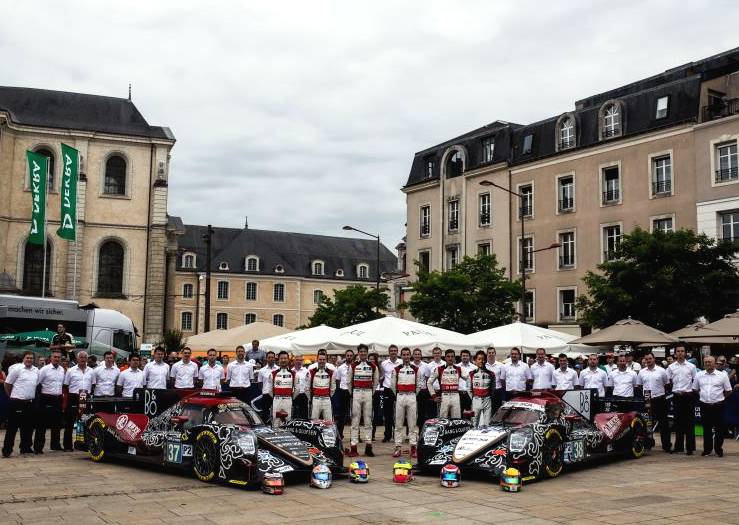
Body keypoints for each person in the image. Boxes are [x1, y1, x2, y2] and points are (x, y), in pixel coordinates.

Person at [693, 355, 732, 457]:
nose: (708, 364)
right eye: (706, 362)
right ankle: (707, 450)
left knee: (719, 428)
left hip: (718, 405)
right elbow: (695, 389)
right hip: (705, 405)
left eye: (710, 362)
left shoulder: (722, 375)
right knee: (706, 429)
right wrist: (703, 396)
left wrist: (720, 398)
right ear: (703, 363)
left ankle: (718, 449)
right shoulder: (699, 375)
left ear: (715, 363)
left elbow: (728, 390)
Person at [2, 352, 39, 457]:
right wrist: (11, 396)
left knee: (28, 427)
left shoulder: (36, 371)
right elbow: (7, 384)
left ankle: (25, 447)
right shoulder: (17, 370)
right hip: (17, 402)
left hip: (29, 403)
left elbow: (35, 385)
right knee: (12, 427)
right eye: (27, 358)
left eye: (31, 358)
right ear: (23, 359)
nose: (29, 360)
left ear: (34, 360)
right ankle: (7, 450)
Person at [347, 344, 379, 457]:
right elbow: (348, 381)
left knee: (368, 420)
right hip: (356, 393)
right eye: (361, 351)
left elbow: (376, 382)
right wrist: (353, 393)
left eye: (365, 351)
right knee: (355, 420)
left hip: (368, 393)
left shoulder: (373, 366)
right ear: (358, 353)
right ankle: (353, 447)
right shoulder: (353, 365)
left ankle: (368, 446)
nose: (363, 353)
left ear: (367, 352)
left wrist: (371, 392)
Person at [637, 351, 671, 452]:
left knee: (663, 424)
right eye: (646, 359)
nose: (648, 361)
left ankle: (666, 445)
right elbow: (639, 386)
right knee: (647, 423)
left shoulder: (661, 371)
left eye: (650, 359)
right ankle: (648, 444)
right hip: (647, 400)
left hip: (660, 399)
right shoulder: (641, 372)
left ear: (654, 359)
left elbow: (667, 384)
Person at [667, 345, 697, 455]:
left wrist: (689, 392)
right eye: (678, 351)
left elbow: (695, 381)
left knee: (689, 422)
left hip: (688, 396)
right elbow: (669, 381)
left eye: (682, 351)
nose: (680, 353)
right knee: (678, 422)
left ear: (685, 353)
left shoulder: (691, 366)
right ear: (675, 353)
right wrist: (675, 390)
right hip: (676, 396)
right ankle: (678, 447)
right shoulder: (671, 367)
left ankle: (690, 448)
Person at [390, 347, 419, 458]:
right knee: (398, 423)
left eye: (407, 354)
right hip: (400, 396)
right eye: (404, 354)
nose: (406, 356)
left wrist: (413, 394)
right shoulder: (396, 369)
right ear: (401, 356)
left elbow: (419, 385)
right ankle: (398, 447)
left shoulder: (416, 369)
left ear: (410, 356)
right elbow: (393, 385)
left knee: (412, 423)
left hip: (412, 396)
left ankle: (413, 447)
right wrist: (398, 394)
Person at [34, 349, 65, 453]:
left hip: (57, 399)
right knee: (41, 424)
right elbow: (37, 384)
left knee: (57, 424)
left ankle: (55, 445)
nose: (57, 359)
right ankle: (38, 447)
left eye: (58, 357)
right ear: (50, 358)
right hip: (46, 398)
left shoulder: (62, 369)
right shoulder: (44, 369)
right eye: (55, 357)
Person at [62, 351, 93, 451]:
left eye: (85, 357)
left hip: (86, 398)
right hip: (73, 397)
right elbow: (66, 385)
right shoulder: (71, 371)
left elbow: (93, 384)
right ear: (77, 359)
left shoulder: (91, 371)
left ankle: (85, 444)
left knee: (86, 422)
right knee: (70, 423)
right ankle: (67, 446)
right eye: (81, 357)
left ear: (87, 359)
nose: (83, 359)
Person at [427, 349, 469, 419]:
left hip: (455, 396)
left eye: (452, 356)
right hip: (444, 397)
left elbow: (469, 379)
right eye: (448, 356)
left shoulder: (459, 369)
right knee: (442, 420)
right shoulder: (439, 369)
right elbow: (429, 382)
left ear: (454, 358)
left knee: (456, 420)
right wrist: (434, 396)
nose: (450, 358)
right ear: (445, 357)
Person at [269, 351, 296, 428]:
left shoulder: (293, 373)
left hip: (288, 400)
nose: (283, 360)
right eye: (281, 358)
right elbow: (269, 390)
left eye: (285, 358)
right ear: (278, 360)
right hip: (277, 399)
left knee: (288, 420)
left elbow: (297, 389)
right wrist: (276, 397)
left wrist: (290, 398)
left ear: (288, 360)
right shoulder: (273, 373)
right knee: (275, 420)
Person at [469, 350, 495, 428]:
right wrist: (474, 398)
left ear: (486, 360)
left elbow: (493, 388)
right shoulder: (471, 373)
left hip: (487, 400)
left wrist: (489, 397)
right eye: (479, 359)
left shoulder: (491, 373)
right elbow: (469, 389)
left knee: (488, 424)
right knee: (474, 423)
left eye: (483, 359)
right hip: (476, 400)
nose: (481, 361)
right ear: (476, 360)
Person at [380, 345, 400, 443]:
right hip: (387, 389)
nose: (393, 352)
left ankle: (396, 435)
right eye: (391, 351)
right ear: (389, 352)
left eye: (395, 351)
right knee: (387, 414)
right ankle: (387, 435)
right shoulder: (384, 364)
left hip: (398, 390)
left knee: (398, 414)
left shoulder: (401, 362)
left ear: (397, 352)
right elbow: (382, 376)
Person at [334, 349, 354, 440]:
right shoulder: (340, 367)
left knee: (355, 414)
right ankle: (340, 434)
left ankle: (355, 436)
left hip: (353, 391)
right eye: (348, 355)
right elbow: (337, 380)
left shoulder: (355, 367)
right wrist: (340, 391)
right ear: (345, 356)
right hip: (343, 391)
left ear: (353, 356)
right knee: (342, 415)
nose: (349, 357)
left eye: (350, 355)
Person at [308, 352, 335, 420]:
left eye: (324, 359)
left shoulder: (330, 372)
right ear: (317, 360)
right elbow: (308, 387)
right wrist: (311, 398)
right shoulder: (311, 371)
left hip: (326, 399)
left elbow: (333, 387)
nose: (322, 361)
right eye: (320, 359)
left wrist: (328, 396)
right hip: (316, 399)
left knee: (328, 421)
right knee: (314, 421)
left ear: (326, 360)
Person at [423, 347, 444, 419]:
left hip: (442, 391)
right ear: (433, 354)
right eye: (435, 353)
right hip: (432, 392)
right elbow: (427, 379)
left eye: (438, 353)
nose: (437, 354)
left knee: (442, 412)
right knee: (432, 413)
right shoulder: (429, 365)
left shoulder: (445, 364)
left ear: (441, 354)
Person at [411, 348, 430, 429]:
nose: (417, 356)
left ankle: (420, 431)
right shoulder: (410, 365)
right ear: (413, 355)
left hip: (422, 392)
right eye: (415, 354)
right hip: (411, 391)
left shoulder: (426, 366)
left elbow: (427, 379)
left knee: (421, 413)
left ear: (421, 355)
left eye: (418, 354)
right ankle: (410, 432)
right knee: (411, 413)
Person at [257, 351, 278, 424]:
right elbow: (260, 384)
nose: (271, 359)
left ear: (274, 358)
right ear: (266, 358)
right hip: (266, 395)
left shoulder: (279, 369)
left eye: (272, 357)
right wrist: (265, 391)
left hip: (276, 395)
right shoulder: (261, 370)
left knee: (276, 412)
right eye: (269, 357)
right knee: (265, 413)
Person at [485, 347, 504, 412]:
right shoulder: (484, 366)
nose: (491, 354)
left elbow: (502, 379)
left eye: (492, 353)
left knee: (497, 410)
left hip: (497, 391)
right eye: (489, 353)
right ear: (487, 354)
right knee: (487, 410)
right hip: (487, 391)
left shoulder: (500, 365)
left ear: (495, 354)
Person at [291, 355, 309, 420]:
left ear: (302, 362)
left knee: (304, 414)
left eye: (300, 360)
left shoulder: (306, 371)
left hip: (304, 395)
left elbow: (308, 382)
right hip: (294, 395)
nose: (298, 361)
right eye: (297, 360)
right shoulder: (291, 371)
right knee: (294, 414)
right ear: (294, 361)